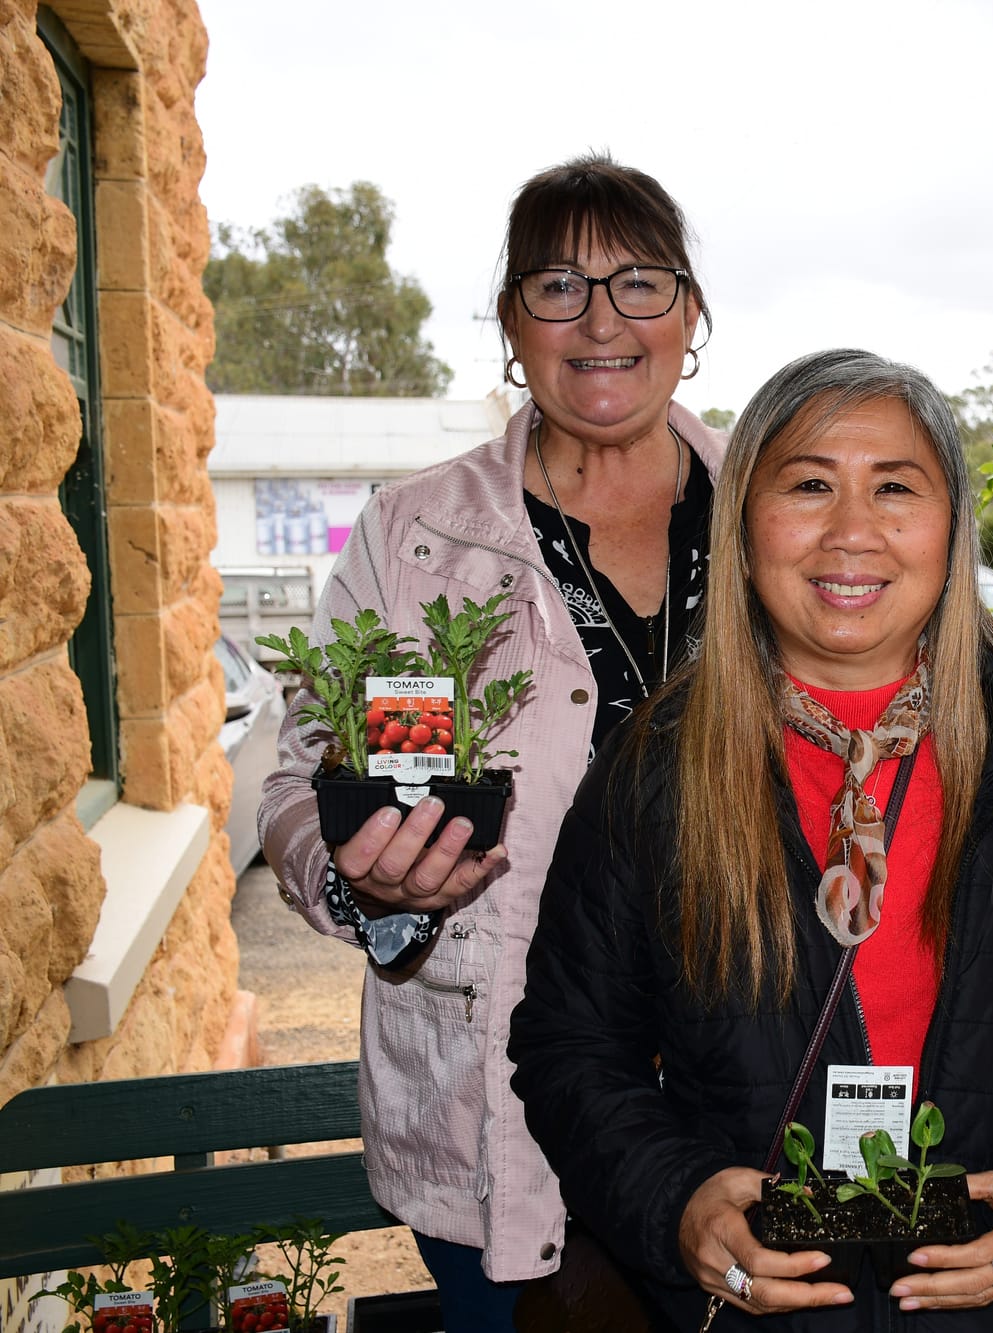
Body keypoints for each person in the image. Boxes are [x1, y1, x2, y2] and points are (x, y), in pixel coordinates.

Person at [508, 348, 993, 1330]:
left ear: (949, 527)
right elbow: (569, 1049)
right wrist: (674, 1197)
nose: (852, 530)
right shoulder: (657, 771)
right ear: (743, 524)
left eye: (895, 487)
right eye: (808, 484)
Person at [257, 153, 726, 1327]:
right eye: (557, 286)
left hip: (742, 1078)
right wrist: (366, 886)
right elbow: (292, 767)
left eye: (640, 283)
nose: (601, 320)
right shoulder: (417, 533)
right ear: (512, 325)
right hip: (493, 1100)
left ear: (692, 316)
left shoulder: (777, 502)